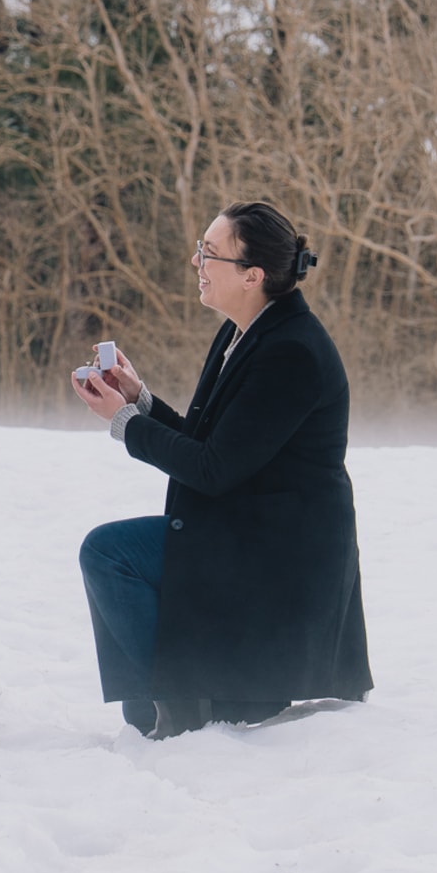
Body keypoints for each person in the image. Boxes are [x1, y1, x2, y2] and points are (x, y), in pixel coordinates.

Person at [71, 202, 373, 739]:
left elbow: (212, 469)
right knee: (139, 709)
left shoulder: (292, 352)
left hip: (277, 562)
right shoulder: (245, 330)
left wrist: (120, 423)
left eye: (209, 253)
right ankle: (171, 701)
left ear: (252, 275)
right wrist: (138, 401)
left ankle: (183, 703)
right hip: (244, 534)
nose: (196, 262)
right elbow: (213, 443)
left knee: (108, 552)